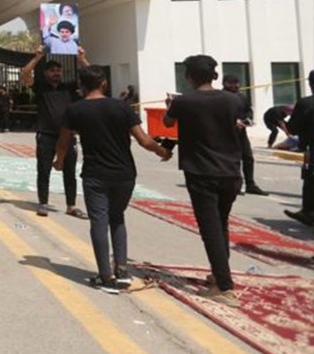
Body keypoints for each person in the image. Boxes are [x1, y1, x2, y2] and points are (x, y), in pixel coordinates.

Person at [56, 66, 172, 293]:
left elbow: (63, 142)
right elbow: (143, 140)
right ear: (104, 84)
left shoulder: (75, 110)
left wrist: (59, 162)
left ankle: (105, 276)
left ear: (81, 85)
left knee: (98, 220)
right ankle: (122, 270)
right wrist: (162, 152)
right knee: (117, 217)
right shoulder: (121, 107)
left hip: (95, 174)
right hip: (124, 173)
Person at [163, 55, 247, 307]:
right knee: (220, 224)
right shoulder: (233, 100)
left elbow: (168, 122)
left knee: (210, 229)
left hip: (201, 171)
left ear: (188, 76)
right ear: (215, 75)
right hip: (230, 170)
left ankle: (224, 286)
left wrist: (170, 105)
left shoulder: (183, 102)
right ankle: (218, 273)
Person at [22, 45, 90, 218]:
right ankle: (43, 203)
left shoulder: (68, 87)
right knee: (43, 170)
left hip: (68, 136)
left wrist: (81, 59)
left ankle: (71, 206)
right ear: (46, 73)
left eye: (58, 71)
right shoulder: (40, 87)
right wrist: (38, 56)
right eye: (52, 70)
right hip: (46, 135)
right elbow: (25, 73)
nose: (56, 73)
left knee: (70, 172)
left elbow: (93, 78)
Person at [222, 74, 268, 195]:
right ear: (225, 84)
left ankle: (250, 184)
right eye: (232, 83)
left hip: (241, 132)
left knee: (248, 157)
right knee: (232, 159)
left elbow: (248, 110)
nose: (235, 85)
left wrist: (247, 120)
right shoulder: (221, 97)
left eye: (236, 83)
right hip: (226, 133)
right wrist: (233, 121)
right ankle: (235, 184)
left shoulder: (242, 97)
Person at [283, 70, 314, 226]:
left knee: (309, 179)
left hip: (311, 147)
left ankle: (308, 212)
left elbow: (293, 128)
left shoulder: (306, 103)